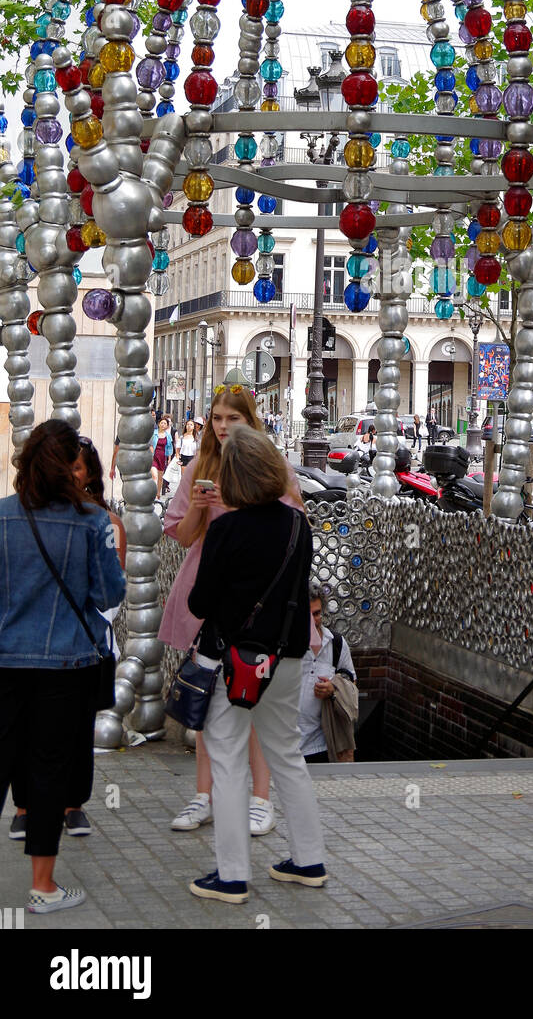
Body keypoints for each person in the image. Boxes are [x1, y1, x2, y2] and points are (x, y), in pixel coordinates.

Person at [187, 427, 327, 902]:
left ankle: (231, 875)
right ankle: (308, 860)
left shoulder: (226, 529)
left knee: (226, 758)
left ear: (232, 477)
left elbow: (200, 602)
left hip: (234, 660)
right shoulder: (297, 526)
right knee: (286, 753)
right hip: (285, 656)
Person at [160, 385, 305, 837]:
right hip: (209, 591)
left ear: (251, 422)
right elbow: (181, 535)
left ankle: (260, 801)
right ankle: (204, 795)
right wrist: (200, 511)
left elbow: (296, 517)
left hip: (259, 599)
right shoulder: (198, 468)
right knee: (207, 697)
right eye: (217, 418)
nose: (222, 426)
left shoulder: (272, 467)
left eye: (233, 419)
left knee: (256, 703)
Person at [0, 421, 125, 914]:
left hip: (6, 659)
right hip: (66, 662)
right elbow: (108, 594)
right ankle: (43, 887)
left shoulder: (2, 517)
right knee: (50, 768)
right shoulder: (92, 522)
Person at [299, 584, 358, 763]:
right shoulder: (282, 647)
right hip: (283, 746)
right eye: (306, 615)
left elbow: (350, 680)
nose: (313, 621)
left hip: (321, 744)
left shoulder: (336, 644)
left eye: (317, 614)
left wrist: (333, 688)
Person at [151, 416, 174, 499]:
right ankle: (152, 494)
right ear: (158, 424)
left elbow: (169, 447)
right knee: (154, 475)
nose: (163, 425)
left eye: (165, 423)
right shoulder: (154, 433)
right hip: (154, 456)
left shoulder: (168, 436)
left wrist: (169, 459)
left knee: (160, 478)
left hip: (162, 457)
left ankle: (158, 494)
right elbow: (150, 445)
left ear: (167, 426)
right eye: (162, 423)